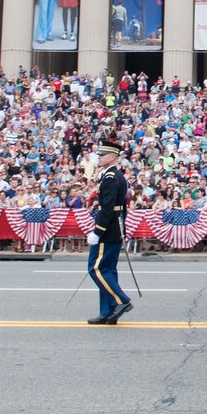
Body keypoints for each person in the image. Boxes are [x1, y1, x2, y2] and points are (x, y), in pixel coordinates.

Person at [85, 139, 134, 325]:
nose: (100, 157)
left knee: (96, 268)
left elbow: (108, 207)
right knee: (108, 270)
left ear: (112, 157)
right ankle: (107, 311)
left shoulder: (111, 177)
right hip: (114, 227)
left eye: (103, 155)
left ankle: (121, 301)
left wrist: (98, 231)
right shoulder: (113, 176)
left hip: (108, 229)